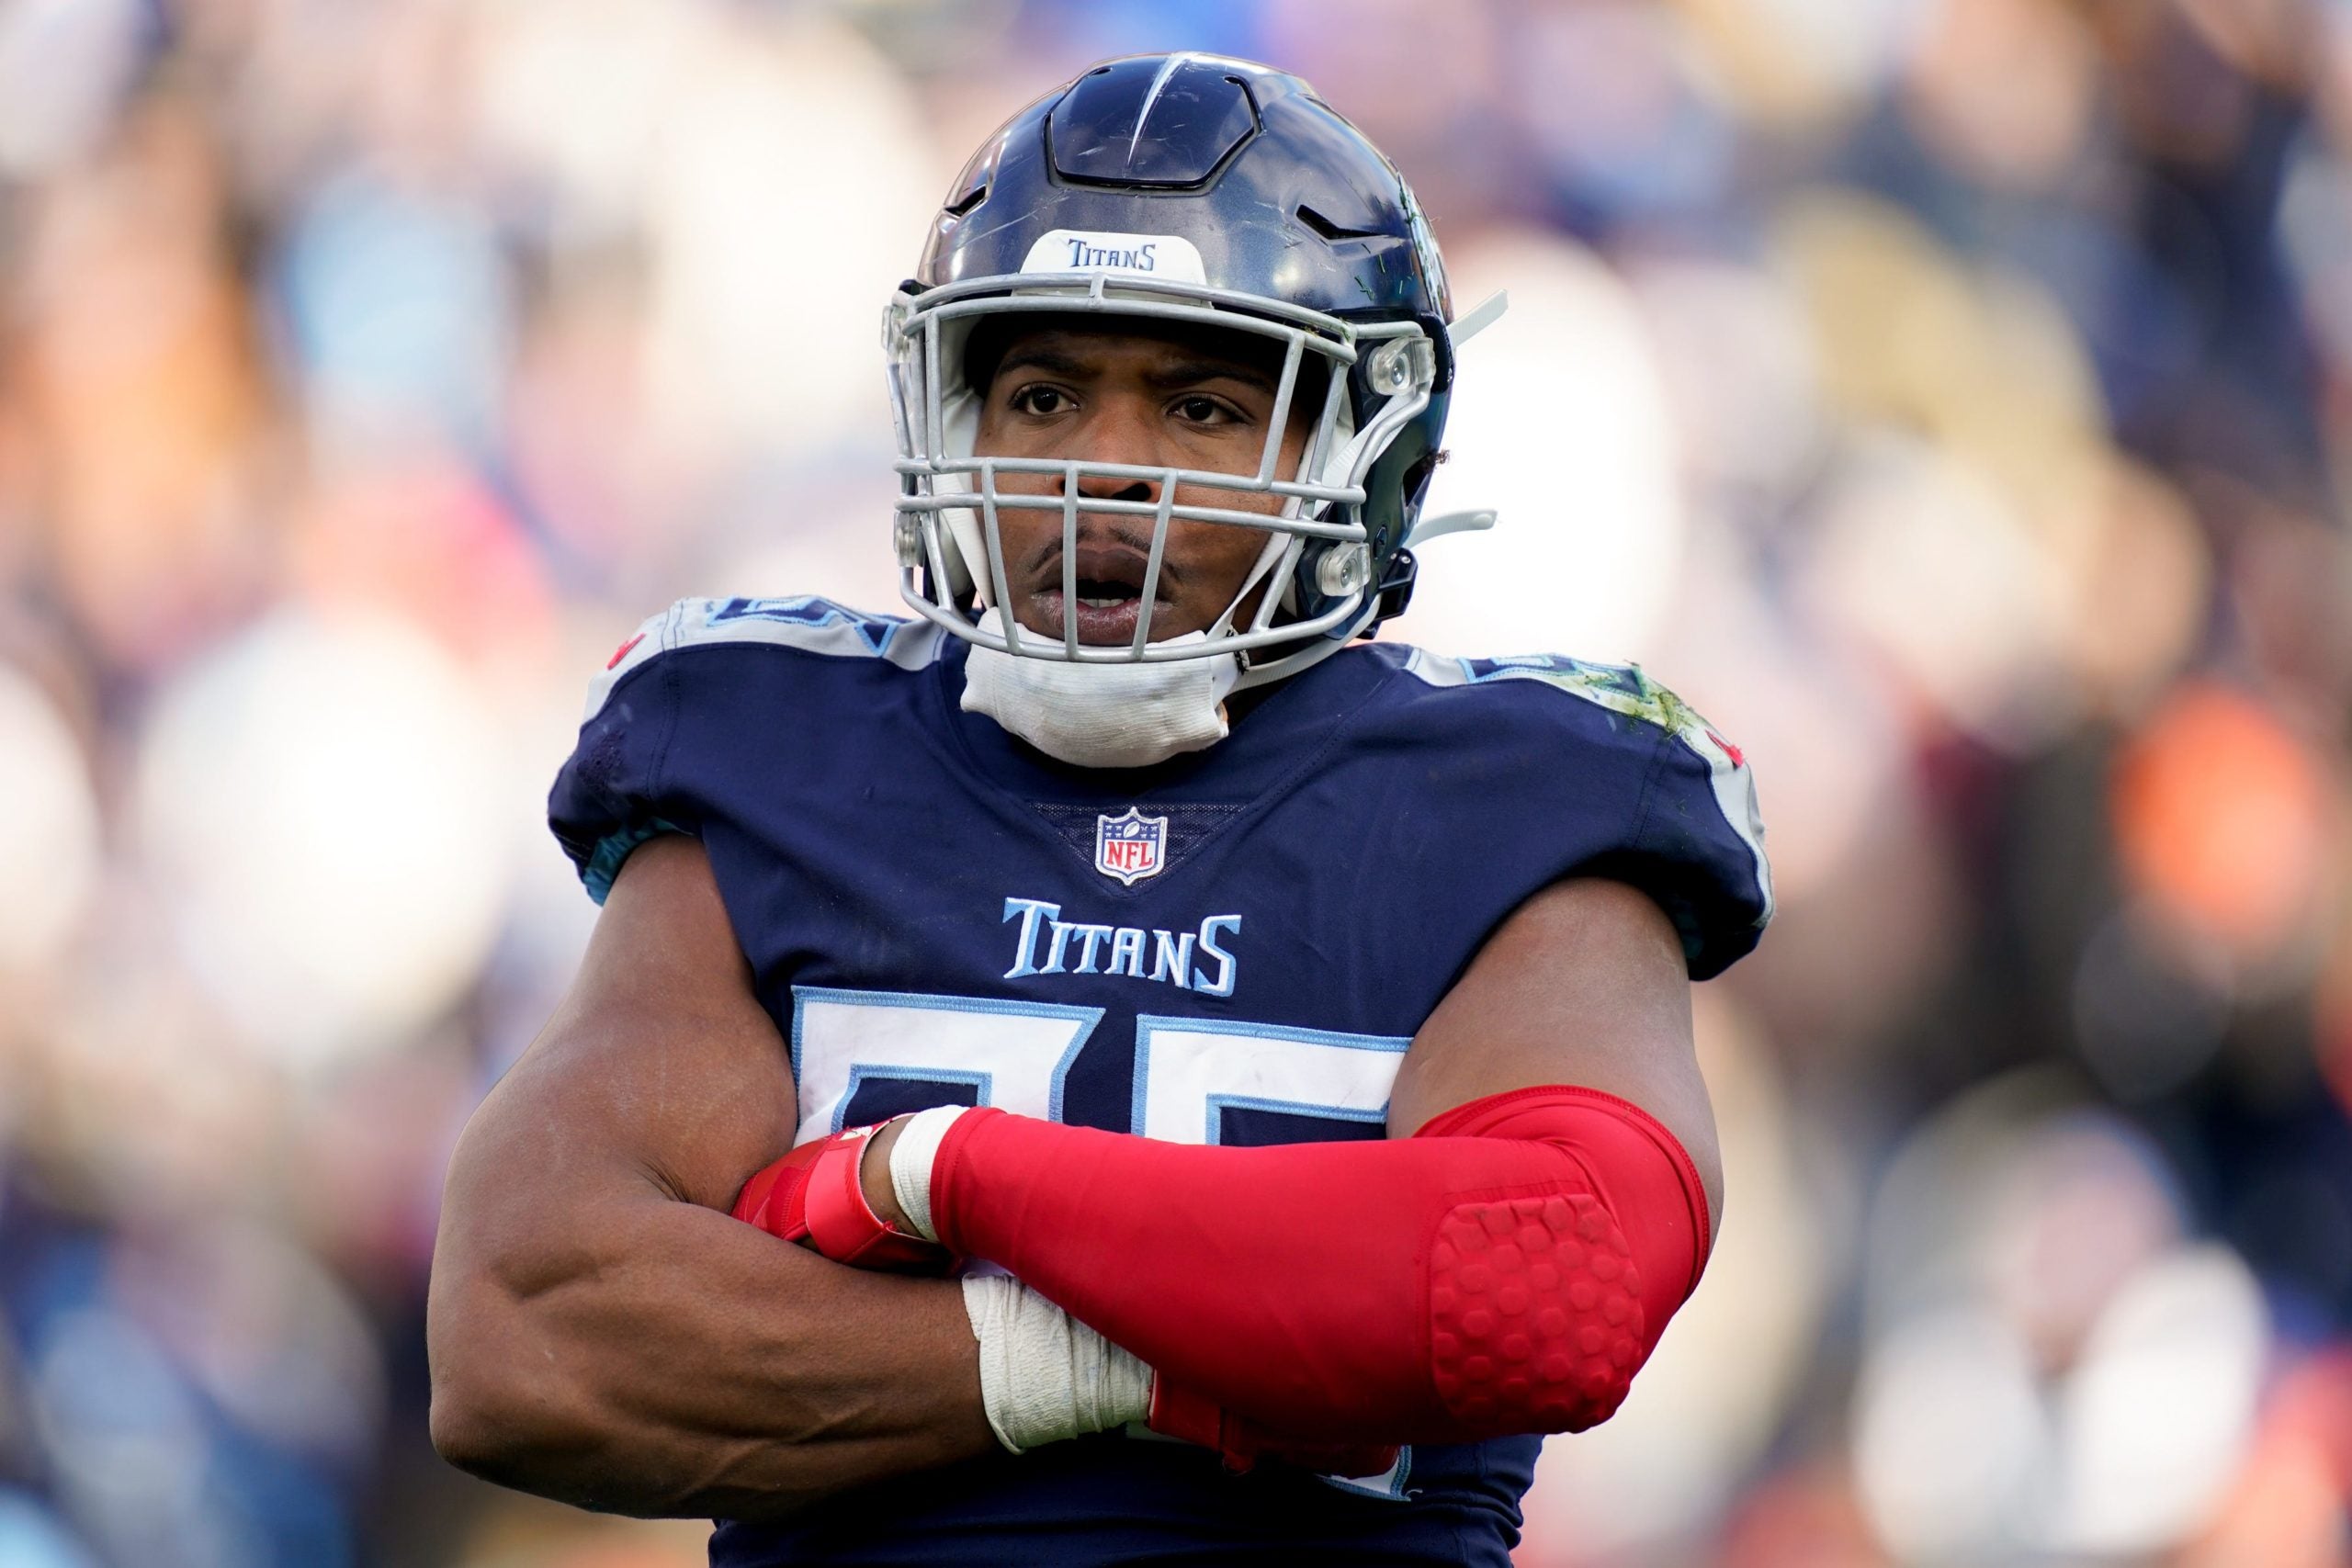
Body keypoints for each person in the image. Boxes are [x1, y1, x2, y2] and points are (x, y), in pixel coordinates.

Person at [425, 51, 1771, 1566]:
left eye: (1200, 405)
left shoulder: (1521, 805)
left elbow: (1544, 1283)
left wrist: (936, 1174)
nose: (1105, 470)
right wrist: (1145, 1365)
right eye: (1045, 392)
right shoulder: (775, 757)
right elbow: (524, 1340)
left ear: (1368, 450)